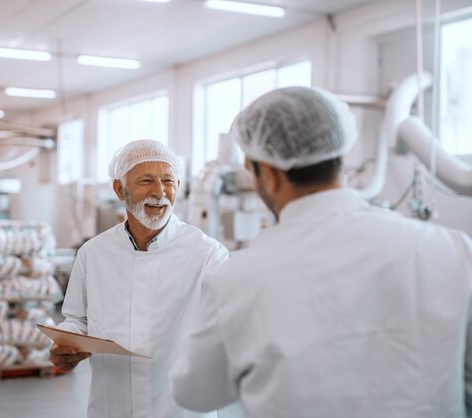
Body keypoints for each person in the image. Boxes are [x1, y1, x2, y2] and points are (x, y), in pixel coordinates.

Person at [169, 86, 472, 417]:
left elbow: (194, 393)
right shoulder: (451, 249)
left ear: (268, 175)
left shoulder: (237, 278)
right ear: (339, 155)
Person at [51, 139, 229, 418]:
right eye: (146, 181)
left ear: (178, 187)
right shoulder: (94, 253)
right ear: (119, 189)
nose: (160, 192)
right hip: (112, 405)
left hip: (178, 408)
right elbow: (77, 319)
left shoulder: (207, 255)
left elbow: (228, 328)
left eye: (168, 181)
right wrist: (67, 345)